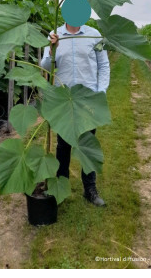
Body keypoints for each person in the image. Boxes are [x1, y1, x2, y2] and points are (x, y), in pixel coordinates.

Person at [41, 22, 110, 206]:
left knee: (87, 143)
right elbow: (46, 67)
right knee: (63, 145)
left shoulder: (94, 34)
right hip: (63, 98)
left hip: (87, 99)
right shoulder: (54, 34)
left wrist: (100, 91)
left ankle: (90, 189)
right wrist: (51, 49)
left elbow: (103, 65)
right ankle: (60, 187)